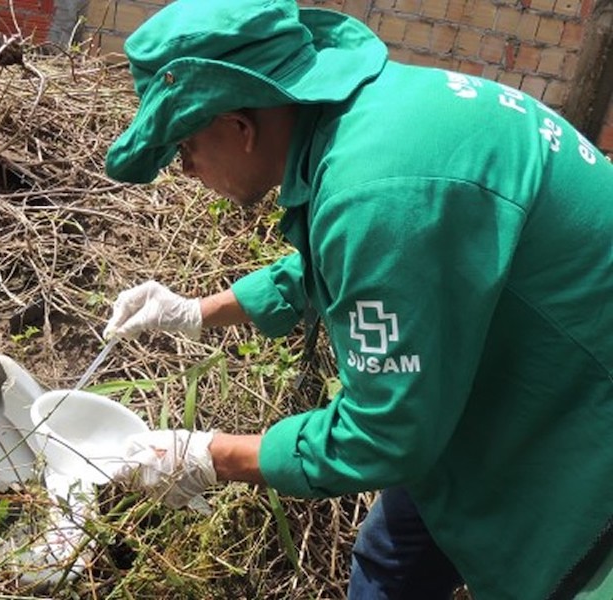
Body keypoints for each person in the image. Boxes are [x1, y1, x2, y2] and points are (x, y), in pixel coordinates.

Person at [100, 0, 613, 598]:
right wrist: (195, 312)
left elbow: (385, 434)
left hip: (575, 431)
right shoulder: (371, 121)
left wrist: (210, 457)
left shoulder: (377, 190)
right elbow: (368, 263)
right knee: (391, 558)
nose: (185, 169)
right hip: (499, 367)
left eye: (184, 146)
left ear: (240, 127)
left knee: (556, 569)